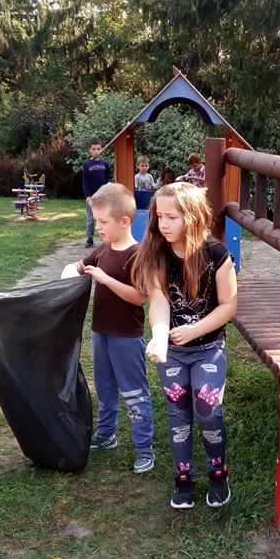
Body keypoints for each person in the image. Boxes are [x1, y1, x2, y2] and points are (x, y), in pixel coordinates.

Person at [131, 182, 237, 509]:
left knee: (207, 411)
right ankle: (183, 477)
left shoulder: (217, 255)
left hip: (209, 349)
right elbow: (159, 301)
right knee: (178, 416)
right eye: (159, 216)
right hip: (173, 354)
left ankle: (218, 473)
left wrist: (194, 331)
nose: (163, 224)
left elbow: (229, 306)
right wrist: (160, 335)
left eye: (172, 217)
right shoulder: (156, 255)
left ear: (192, 217)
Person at [61, 183, 156, 473]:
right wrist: (69, 271)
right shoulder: (102, 249)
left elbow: (139, 297)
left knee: (134, 392)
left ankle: (144, 446)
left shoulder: (137, 254)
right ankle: (106, 433)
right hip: (99, 332)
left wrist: (105, 279)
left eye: (103, 222)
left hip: (126, 337)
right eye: (97, 221)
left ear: (124, 221)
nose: (98, 227)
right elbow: (79, 266)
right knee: (104, 387)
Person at [82, 139, 112, 248]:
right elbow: (85, 182)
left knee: (105, 217)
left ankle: (107, 238)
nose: (96, 151)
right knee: (91, 219)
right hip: (92, 197)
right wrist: (87, 196)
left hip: (103, 196)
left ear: (102, 149)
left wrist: (108, 187)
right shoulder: (86, 164)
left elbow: (108, 178)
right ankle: (90, 239)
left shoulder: (104, 164)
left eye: (98, 149)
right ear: (89, 150)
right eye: (94, 149)